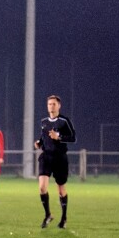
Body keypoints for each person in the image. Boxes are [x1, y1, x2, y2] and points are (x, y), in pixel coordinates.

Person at [34, 95, 76, 229]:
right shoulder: (44, 122)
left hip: (60, 158)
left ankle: (63, 218)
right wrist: (39, 143)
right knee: (42, 187)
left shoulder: (64, 121)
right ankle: (48, 215)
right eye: (49, 104)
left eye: (53, 104)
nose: (51, 106)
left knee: (61, 188)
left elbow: (73, 138)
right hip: (46, 157)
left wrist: (59, 137)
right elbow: (43, 136)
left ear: (59, 106)